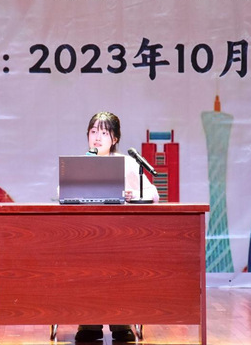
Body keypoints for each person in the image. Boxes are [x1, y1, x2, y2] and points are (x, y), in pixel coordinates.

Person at [75, 112, 159, 343]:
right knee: (84, 267)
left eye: (104, 132)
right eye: (93, 132)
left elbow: (154, 194)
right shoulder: (79, 164)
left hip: (120, 238)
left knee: (119, 268)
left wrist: (134, 195)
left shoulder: (128, 163)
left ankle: (121, 321)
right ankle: (89, 322)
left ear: (115, 139)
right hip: (87, 237)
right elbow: (63, 192)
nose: (97, 137)